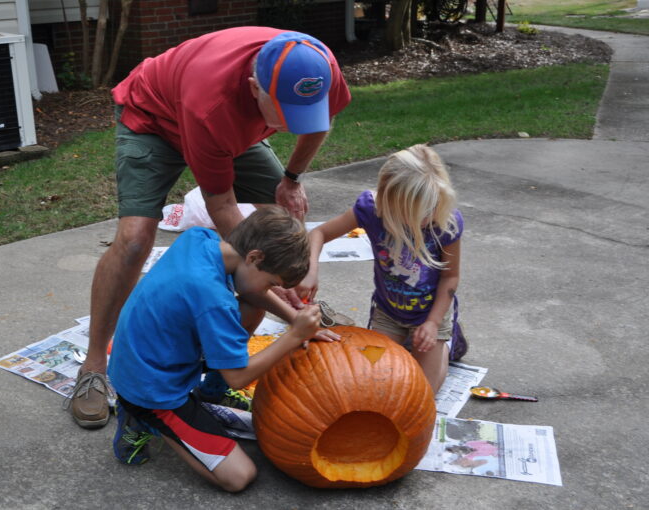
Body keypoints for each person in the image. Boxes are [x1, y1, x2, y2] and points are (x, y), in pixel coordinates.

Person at [67, 27, 351, 428]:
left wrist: (291, 178)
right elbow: (221, 204)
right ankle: (94, 366)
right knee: (134, 241)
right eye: (284, 112)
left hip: (232, 126)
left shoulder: (316, 65)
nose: (291, 125)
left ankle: (219, 374)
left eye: (300, 111)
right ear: (255, 87)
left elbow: (320, 122)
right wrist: (263, 268)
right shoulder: (211, 103)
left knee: (279, 228)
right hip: (155, 119)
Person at [107, 206, 337, 491]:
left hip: (147, 353)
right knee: (239, 476)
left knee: (253, 305)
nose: (271, 289)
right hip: (151, 388)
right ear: (254, 257)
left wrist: (294, 318)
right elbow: (238, 377)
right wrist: (293, 336)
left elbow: (253, 290)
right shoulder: (213, 299)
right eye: (272, 282)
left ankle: (210, 393)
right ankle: (138, 418)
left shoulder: (200, 239)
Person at [295, 144, 468, 392]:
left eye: (431, 208)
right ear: (389, 202)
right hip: (389, 313)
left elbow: (450, 277)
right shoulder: (370, 210)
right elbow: (319, 233)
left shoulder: (446, 222)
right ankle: (417, 341)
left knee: (422, 392)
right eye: (417, 212)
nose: (427, 217)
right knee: (374, 382)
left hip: (431, 313)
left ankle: (449, 341)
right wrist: (311, 271)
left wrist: (432, 323)